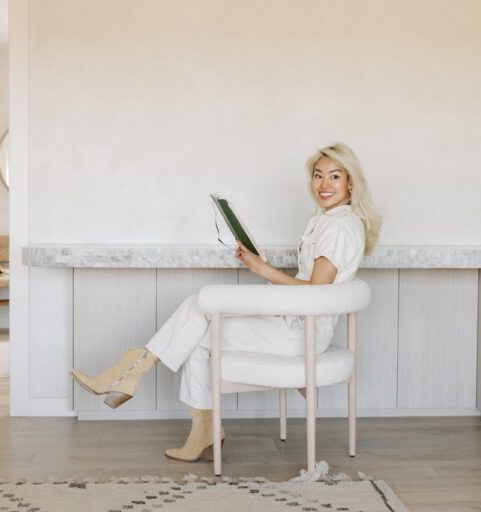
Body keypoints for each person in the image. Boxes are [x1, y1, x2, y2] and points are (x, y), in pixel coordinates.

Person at [71, 143, 382, 462]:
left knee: (197, 324)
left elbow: (317, 292)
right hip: (293, 322)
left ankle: (132, 374)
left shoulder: (340, 227)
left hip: (301, 333)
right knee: (196, 319)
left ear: (350, 183)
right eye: (318, 176)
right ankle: (151, 388)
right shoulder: (329, 220)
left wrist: (265, 270)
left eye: (334, 176)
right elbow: (309, 284)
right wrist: (260, 264)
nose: (324, 185)